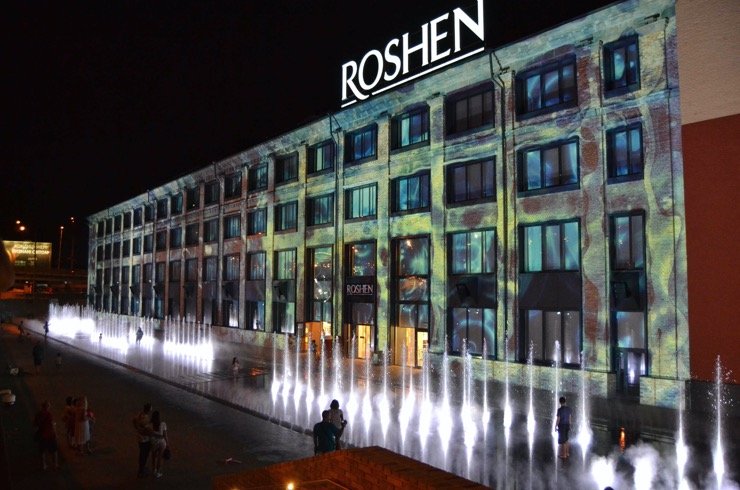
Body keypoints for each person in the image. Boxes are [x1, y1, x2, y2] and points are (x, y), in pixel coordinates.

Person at [33, 401, 59, 470]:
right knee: (54, 450)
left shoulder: (38, 414)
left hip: (42, 435)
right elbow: (52, 425)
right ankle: (55, 464)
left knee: (42, 451)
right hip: (50, 435)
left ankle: (43, 465)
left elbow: (35, 425)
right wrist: (55, 434)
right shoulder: (49, 414)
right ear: (47, 407)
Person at [133, 402, 154, 477]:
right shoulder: (145, 418)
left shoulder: (140, 414)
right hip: (145, 439)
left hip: (140, 437)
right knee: (144, 454)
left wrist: (137, 428)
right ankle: (141, 471)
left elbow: (134, 420)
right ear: (149, 409)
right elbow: (147, 429)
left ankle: (142, 468)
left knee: (142, 454)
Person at [149, 410, 169, 478]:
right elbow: (165, 435)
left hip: (153, 441)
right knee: (160, 457)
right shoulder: (163, 424)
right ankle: (158, 472)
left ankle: (153, 470)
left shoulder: (150, 424)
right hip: (161, 442)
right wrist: (168, 444)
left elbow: (149, 433)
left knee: (153, 456)